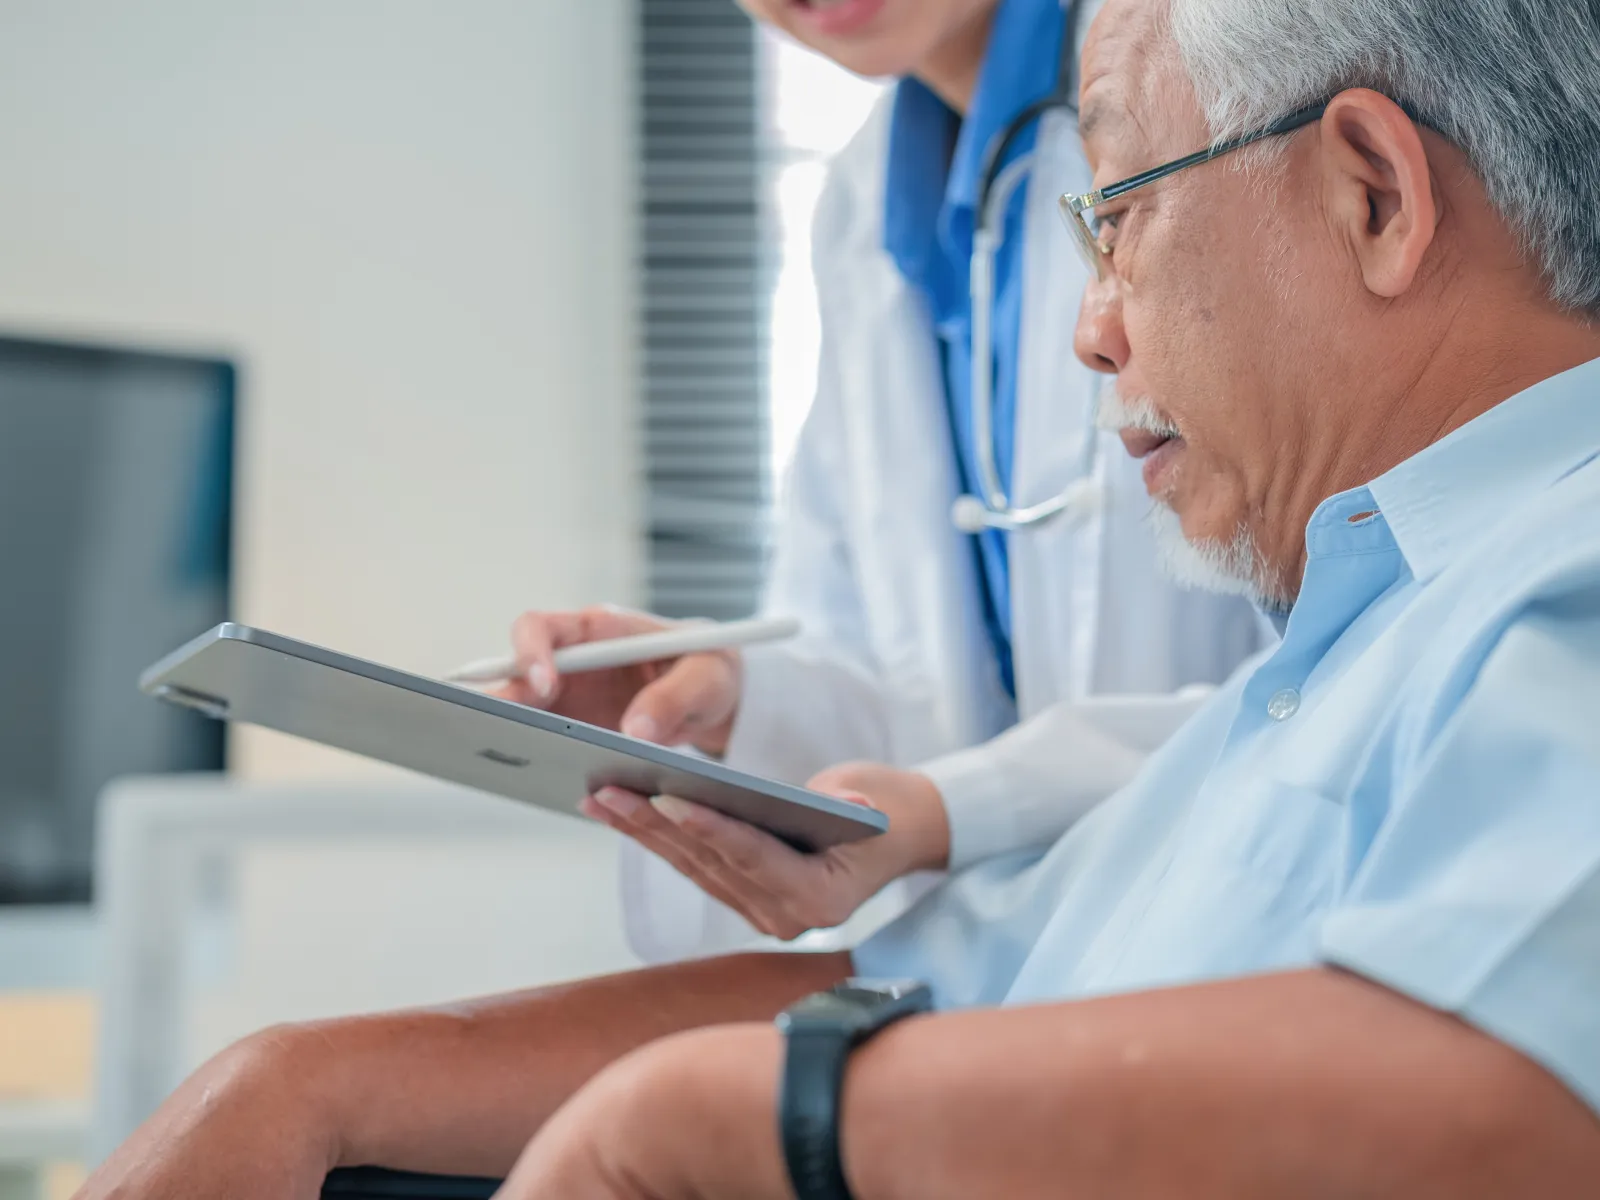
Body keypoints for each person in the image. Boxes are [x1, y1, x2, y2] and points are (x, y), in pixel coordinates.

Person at [78, 0, 1600, 1194]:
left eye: (1118, 213)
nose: (1091, 335)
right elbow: (924, 985)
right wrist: (301, 1078)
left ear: (1375, 199)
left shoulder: (1545, 588)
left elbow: (1518, 1104)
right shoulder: (1335, 652)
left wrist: (726, 1118)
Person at [501, 0, 1266, 963]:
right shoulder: (864, 204)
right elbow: (921, 689)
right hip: (1027, 961)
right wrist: (734, 699)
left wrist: (955, 806)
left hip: (1248, 935)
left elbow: (1356, 662)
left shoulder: (1231, 77)